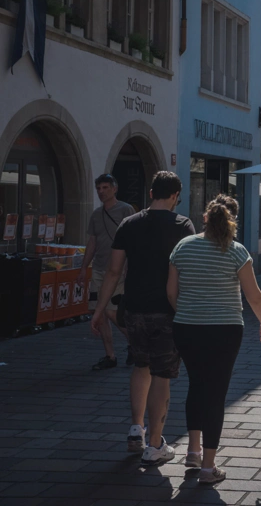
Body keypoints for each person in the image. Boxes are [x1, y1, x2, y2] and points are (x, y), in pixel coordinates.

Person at [91, 171, 195, 465]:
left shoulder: (129, 223)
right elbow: (187, 270)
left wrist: (99, 312)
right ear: (175, 196)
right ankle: (154, 445)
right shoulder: (183, 225)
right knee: (162, 374)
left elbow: (113, 272)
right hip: (167, 310)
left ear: (151, 193)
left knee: (140, 365)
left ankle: (136, 428)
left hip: (133, 308)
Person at [167, 195, 261, 485]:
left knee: (197, 386)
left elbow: (171, 292)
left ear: (204, 218)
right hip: (225, 330)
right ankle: (208, 467)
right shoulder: (236, 251)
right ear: (230, 222)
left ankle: (192, 450)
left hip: (187, 328)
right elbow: (253, 295)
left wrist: (188, 313)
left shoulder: (183, 247)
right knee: (215, 394)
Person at [78, 174, 136, 371]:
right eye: (98, 189)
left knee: (112, 312)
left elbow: (132, 240)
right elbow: (92, 243)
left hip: (118, 270)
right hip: (99, 269)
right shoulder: (96, 214)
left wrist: (129, 265)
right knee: (98, 312)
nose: (101, 192)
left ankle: (135, 344)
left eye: (105, 187)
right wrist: (83, 268)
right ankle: (110, 355)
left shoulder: (126, 210)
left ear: (114, 188)